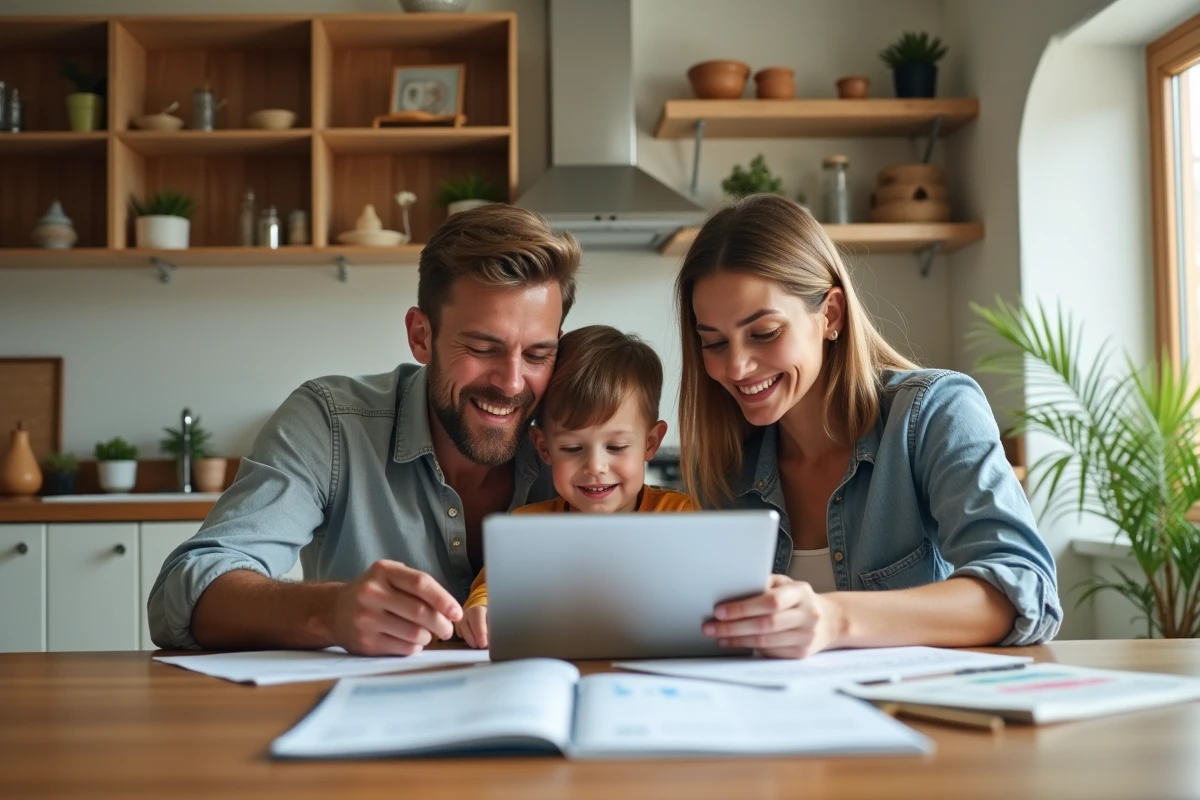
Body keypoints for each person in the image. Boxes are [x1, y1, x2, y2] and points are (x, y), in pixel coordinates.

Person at [147, 205, 581, 655]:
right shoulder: (330, 423)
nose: (511, 383)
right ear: (421, 336)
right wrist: (328, 612)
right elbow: (180, 592)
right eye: (481, 347)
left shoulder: (579, 439)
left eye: (536, 355)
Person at [676, 194, 1061, 659]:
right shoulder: (726, 464)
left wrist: (833, 620)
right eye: (714, 342)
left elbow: (1023, 587)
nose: (736, 367)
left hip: (920, 717)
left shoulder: (934, 413)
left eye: (764, 333)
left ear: (830, 315)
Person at [456, 325, 693, 649]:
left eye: (617, 447)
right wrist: (481, 610)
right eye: (572, 448)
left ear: (650, 443)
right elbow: (491, 589)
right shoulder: (527, 528)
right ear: (544, 448)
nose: (595, 466)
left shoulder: (681, 517)